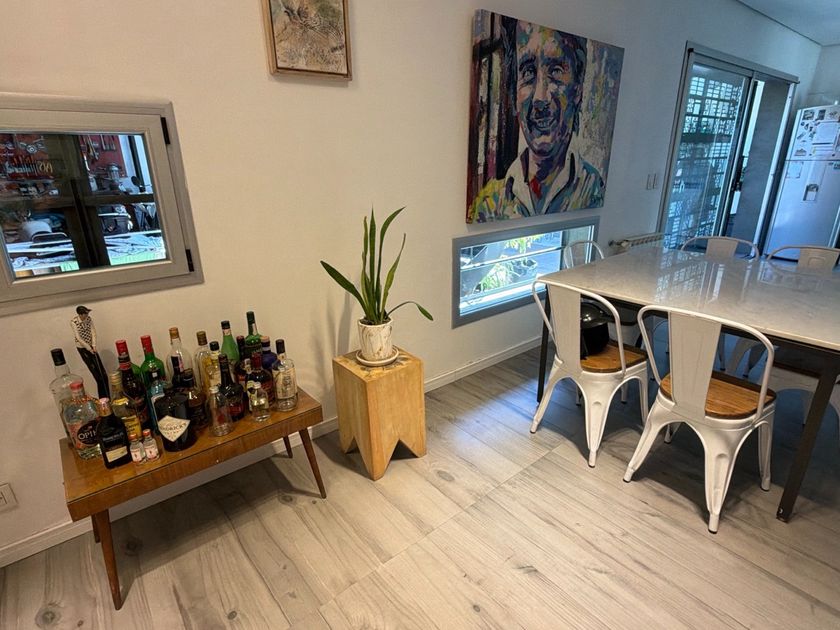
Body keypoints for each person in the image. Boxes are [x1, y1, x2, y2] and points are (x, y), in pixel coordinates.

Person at [469, 21, 605, 221]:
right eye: (528, 73)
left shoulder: (594, 189)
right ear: (514, 94)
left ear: (577, 89)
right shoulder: (488, 206)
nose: (540, 98)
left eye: (556, 72)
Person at [70, 305, 109, 399]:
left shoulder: (89, 319)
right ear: (80, 314)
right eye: (85, 314)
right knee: (97, 376)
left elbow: (93, 332)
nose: (87, 315)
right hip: (82, 348)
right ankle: (103, 399)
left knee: (103, 374)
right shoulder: (74, 322)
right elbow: (79, 338)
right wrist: (89, 348)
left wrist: (94, 345)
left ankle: (108, 398)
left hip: (91, 346)